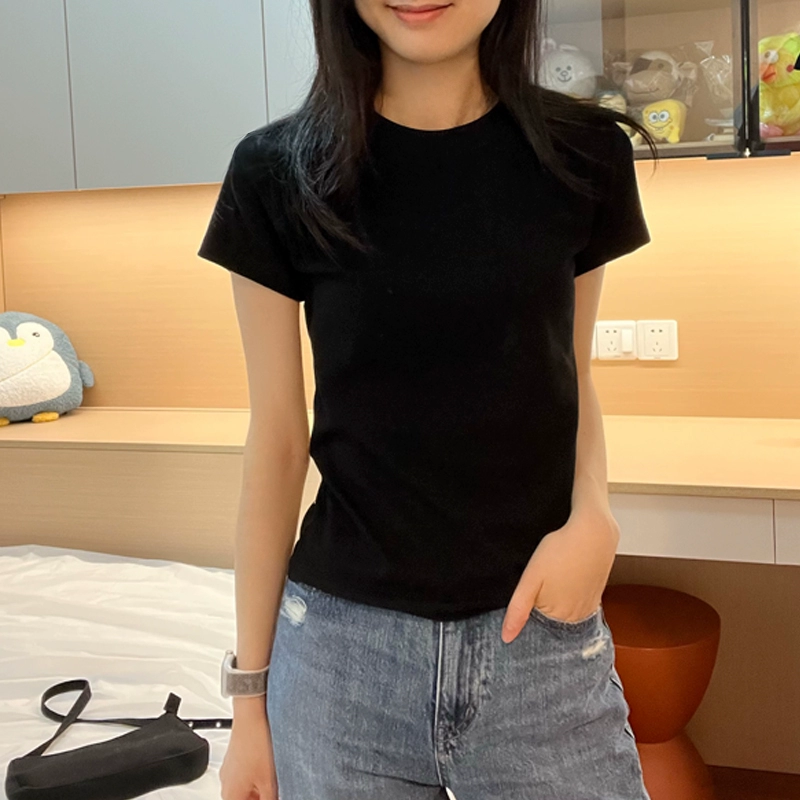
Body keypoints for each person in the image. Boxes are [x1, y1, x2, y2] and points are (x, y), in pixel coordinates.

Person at [198, 1, 657, 798]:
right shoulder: (276, 172)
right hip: (339, 660)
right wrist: (249, 707)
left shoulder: (583, 153)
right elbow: (276, 439)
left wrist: (595, 516)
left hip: (537, 637)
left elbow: (571, 373)